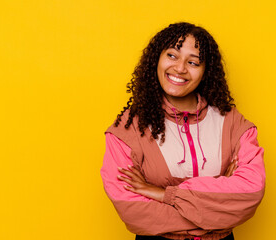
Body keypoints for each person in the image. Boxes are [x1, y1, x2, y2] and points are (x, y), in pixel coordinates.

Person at [101, 22, 265, 240]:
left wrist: (163, 194)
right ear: (156, 60)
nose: (180, 68)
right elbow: (131, 209)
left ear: (206, 71)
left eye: (193, 62)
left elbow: (250, 191)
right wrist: (215, 212)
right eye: (172, 56)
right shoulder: (129, 126)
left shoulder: (231, 121)